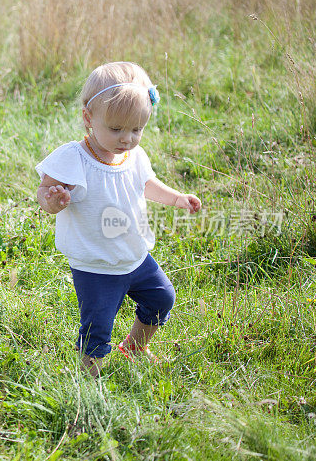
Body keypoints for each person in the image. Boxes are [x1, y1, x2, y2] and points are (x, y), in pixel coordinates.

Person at [35, 61, 202, 377]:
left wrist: (177, 198)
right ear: (88, 118)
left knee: (161, 298)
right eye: (116, 129)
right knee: (98, 327)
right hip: (96, 266)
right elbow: (43, 193)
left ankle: (135, 346)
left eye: (136, 129)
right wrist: (53, 200)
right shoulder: (73, 158)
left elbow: (147, 184)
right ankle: (89, 378)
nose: (127, 138)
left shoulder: (134, 155)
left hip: (135, 257)